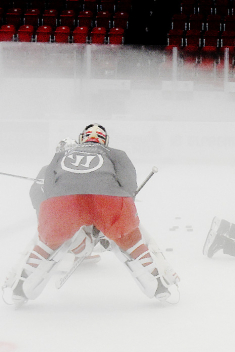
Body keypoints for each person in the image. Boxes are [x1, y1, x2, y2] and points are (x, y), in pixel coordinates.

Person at [3, 124, 179, 307]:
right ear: (105, 140)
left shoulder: (61, 155)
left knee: (46, 244)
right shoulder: (115, 153)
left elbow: (48, 188)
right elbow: (129, 185)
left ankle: (19, 286)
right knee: (132, 240)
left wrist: (53, 216)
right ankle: (159, 284)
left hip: (64, 201)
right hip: (107, 200)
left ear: (81, 139)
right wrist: (114, 215)